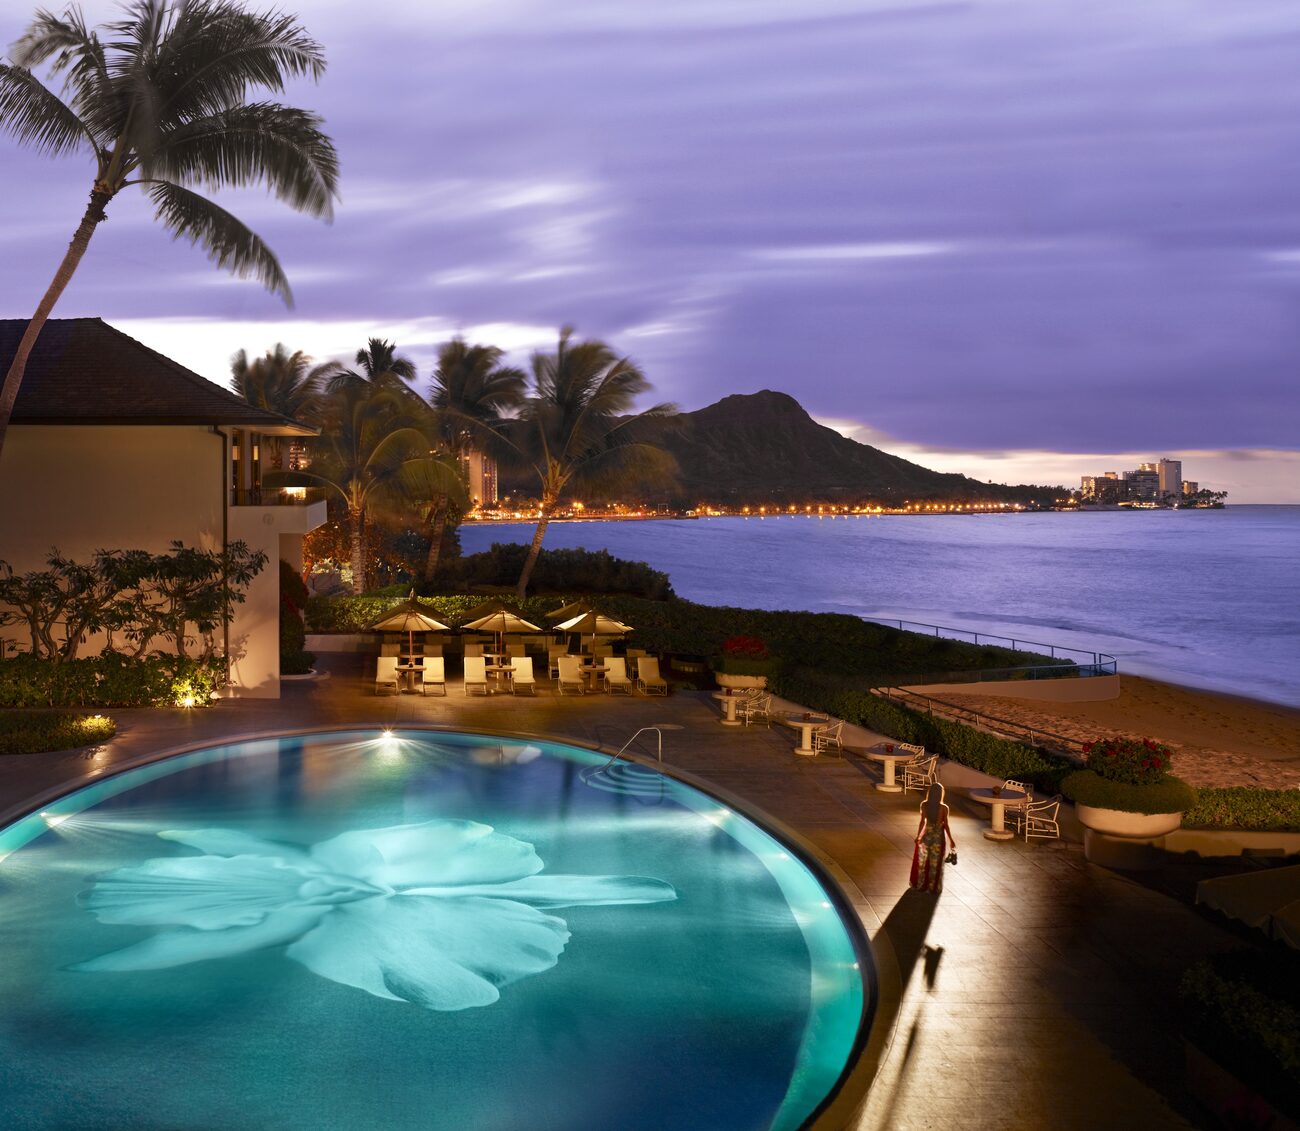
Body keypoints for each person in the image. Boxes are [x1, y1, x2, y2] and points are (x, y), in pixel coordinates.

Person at [910, 782, 956, 893]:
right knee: (935, 863)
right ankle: (932, 886)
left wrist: (918, 836)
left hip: (927, 835)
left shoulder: (924, 805)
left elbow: (922, 822)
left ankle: (921, 884)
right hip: (938, 838)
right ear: (941, 794)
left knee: (923, 861)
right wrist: (951, 840)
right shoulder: (944, 808)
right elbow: (946, 825)